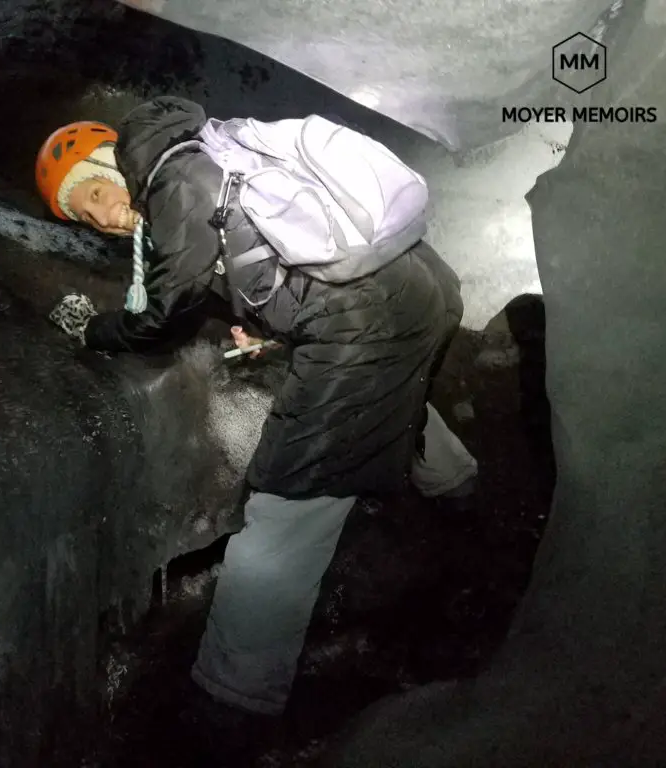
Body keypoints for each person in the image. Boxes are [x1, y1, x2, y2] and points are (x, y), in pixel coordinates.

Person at [35, 96, 478, 735]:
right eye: (85, 214)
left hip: (366, 316)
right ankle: (460, 491)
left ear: (114, 161)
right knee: (388, 389)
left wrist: (95, 331)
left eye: (97, 192)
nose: (104, 215)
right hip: (422, 284)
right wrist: (270, 320)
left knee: (286, 507)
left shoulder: (172, 176)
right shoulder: (214, 151)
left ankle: (231, 697)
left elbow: (165, 308)